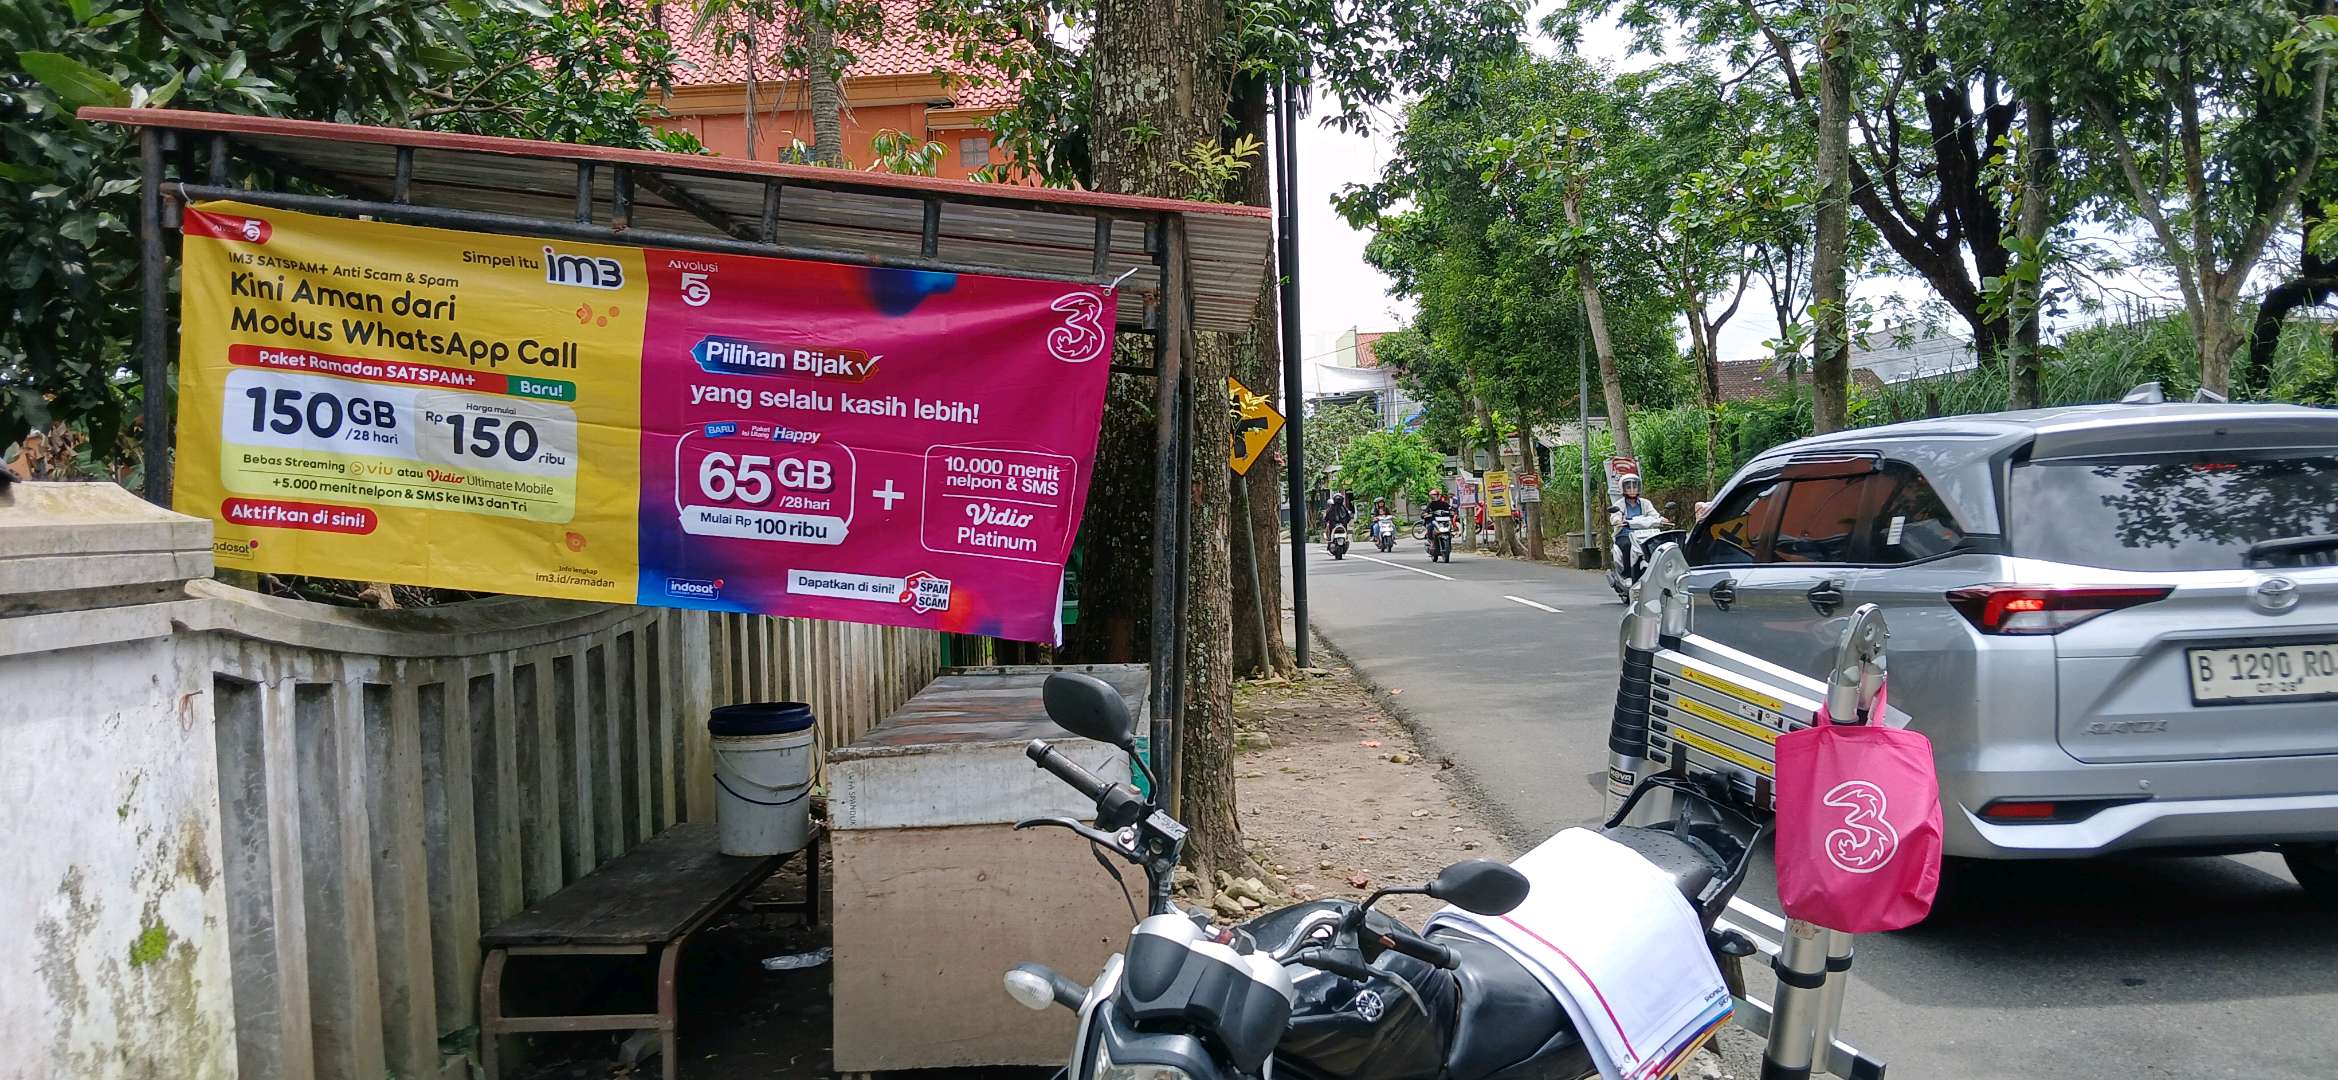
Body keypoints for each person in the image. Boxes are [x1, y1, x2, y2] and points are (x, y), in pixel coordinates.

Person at [1608, 476, 1660, 571]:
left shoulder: (1646, 503)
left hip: (1645, 534)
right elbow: (1615, 516)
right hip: (1625, 534)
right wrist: (1617, 521)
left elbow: (1654, 515)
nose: (1632, 490)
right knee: (1627, 545)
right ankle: (1628, 573)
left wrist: (1662, 519)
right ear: (1623, 489)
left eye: (1635, 487)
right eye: (1628, 487)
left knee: (1658, 544)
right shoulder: (1618, 504)